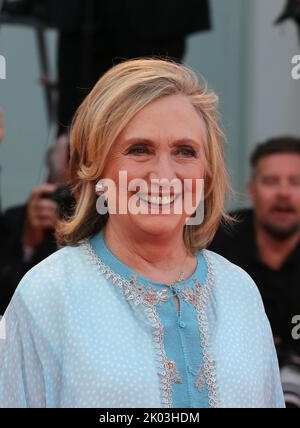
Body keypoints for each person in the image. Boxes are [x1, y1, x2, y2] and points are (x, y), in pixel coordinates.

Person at [0, 59, 284, 408]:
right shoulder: (49, 294)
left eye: (185, 151)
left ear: (207, 174)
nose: (163, 175)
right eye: (139, 150)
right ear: (97, 167)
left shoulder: (239, 291)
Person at [2, 0, 212, 134]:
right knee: (78, 119)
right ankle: (72, 188)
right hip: (86, 10)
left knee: (148, 110)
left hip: (154, 13)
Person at [210, 137, 300, 364]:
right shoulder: (212, 242)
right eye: (271, 181)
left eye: (296, 182)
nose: (283, 193)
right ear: (252, 191)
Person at [0, 136, 71, 316]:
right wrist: (28, 243)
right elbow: (7, 303)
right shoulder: (17, 219)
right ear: (49, 182)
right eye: (63, 192)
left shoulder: (107, 220)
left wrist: (69, 237)